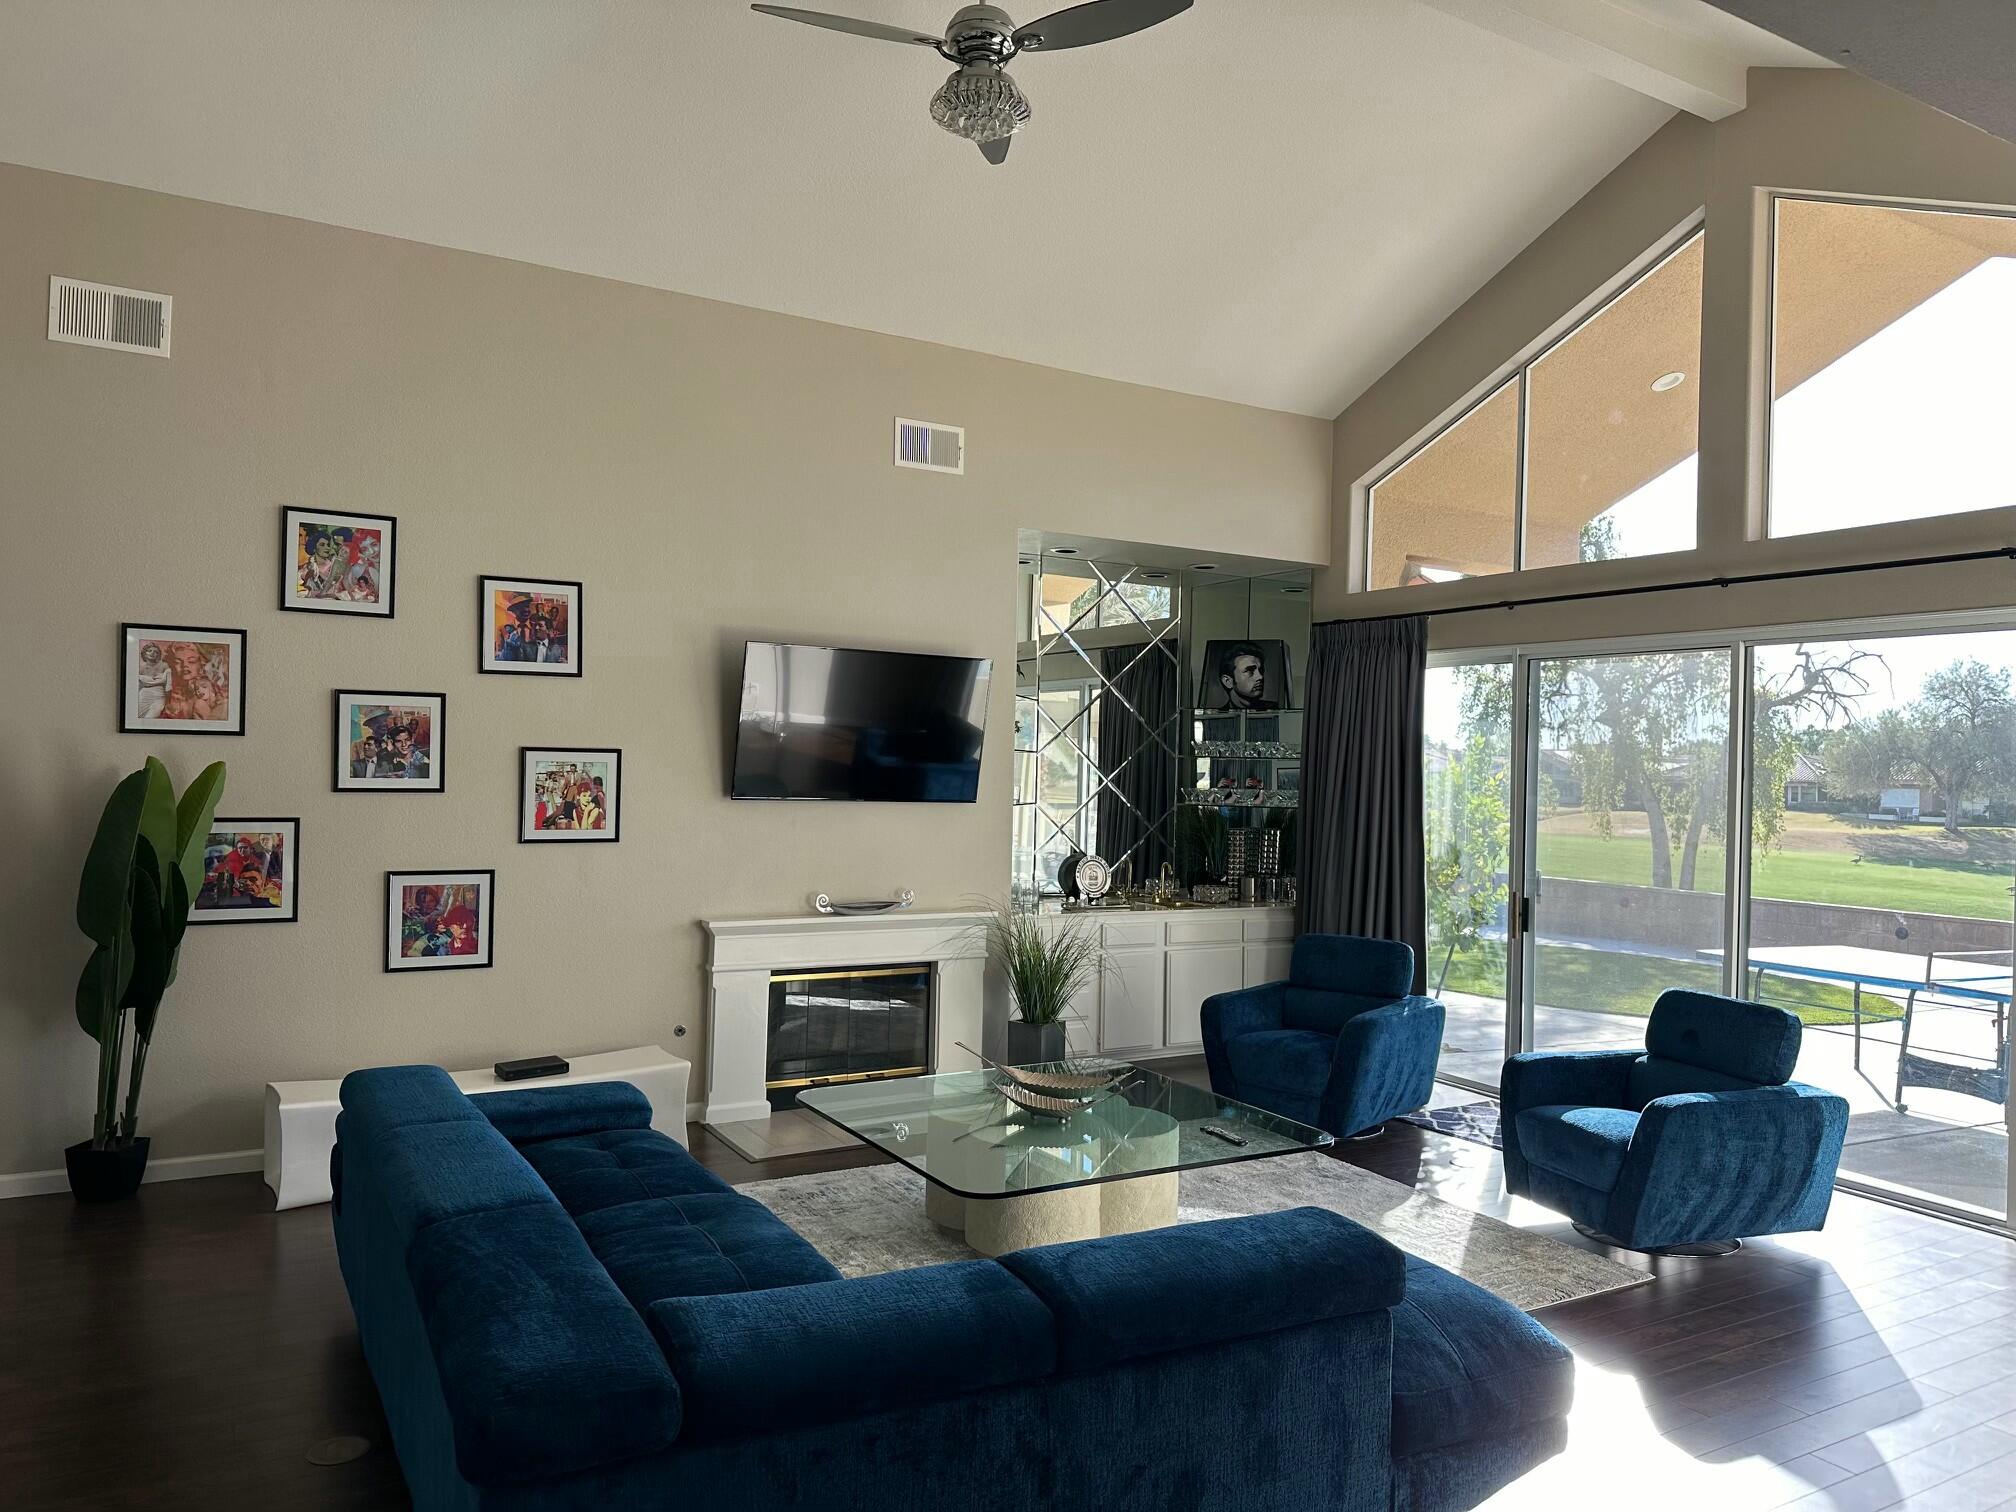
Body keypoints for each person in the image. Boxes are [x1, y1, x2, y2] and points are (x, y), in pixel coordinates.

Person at [1216, 641, 1278, 711]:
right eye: (1249, 670)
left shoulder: (1275, 710)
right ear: (1228, 681)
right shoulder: (1216, 716)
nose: (1260, 677)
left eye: (1261, 670)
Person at [135, 642, 170, 720]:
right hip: (143, 696)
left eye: (156, 652)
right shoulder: (140, 668)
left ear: (158, 655)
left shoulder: (164, 665)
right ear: (144, 653)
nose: (152, 653)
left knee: (151, 718)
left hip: (159, 697)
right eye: (149, 651)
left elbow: (168, 684)